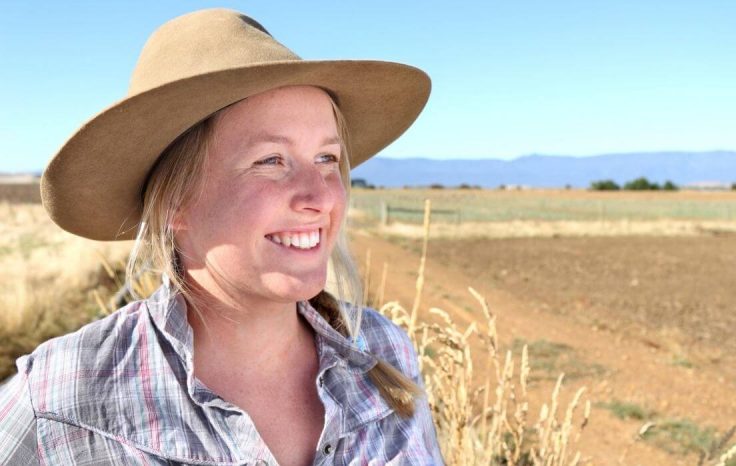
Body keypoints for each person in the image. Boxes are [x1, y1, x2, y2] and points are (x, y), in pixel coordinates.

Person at [0, 8, 442, 465]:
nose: (320, 196)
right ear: (175, 203)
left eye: (327, 158)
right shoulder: (61, 398)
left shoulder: (382, 352)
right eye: (271, 160)